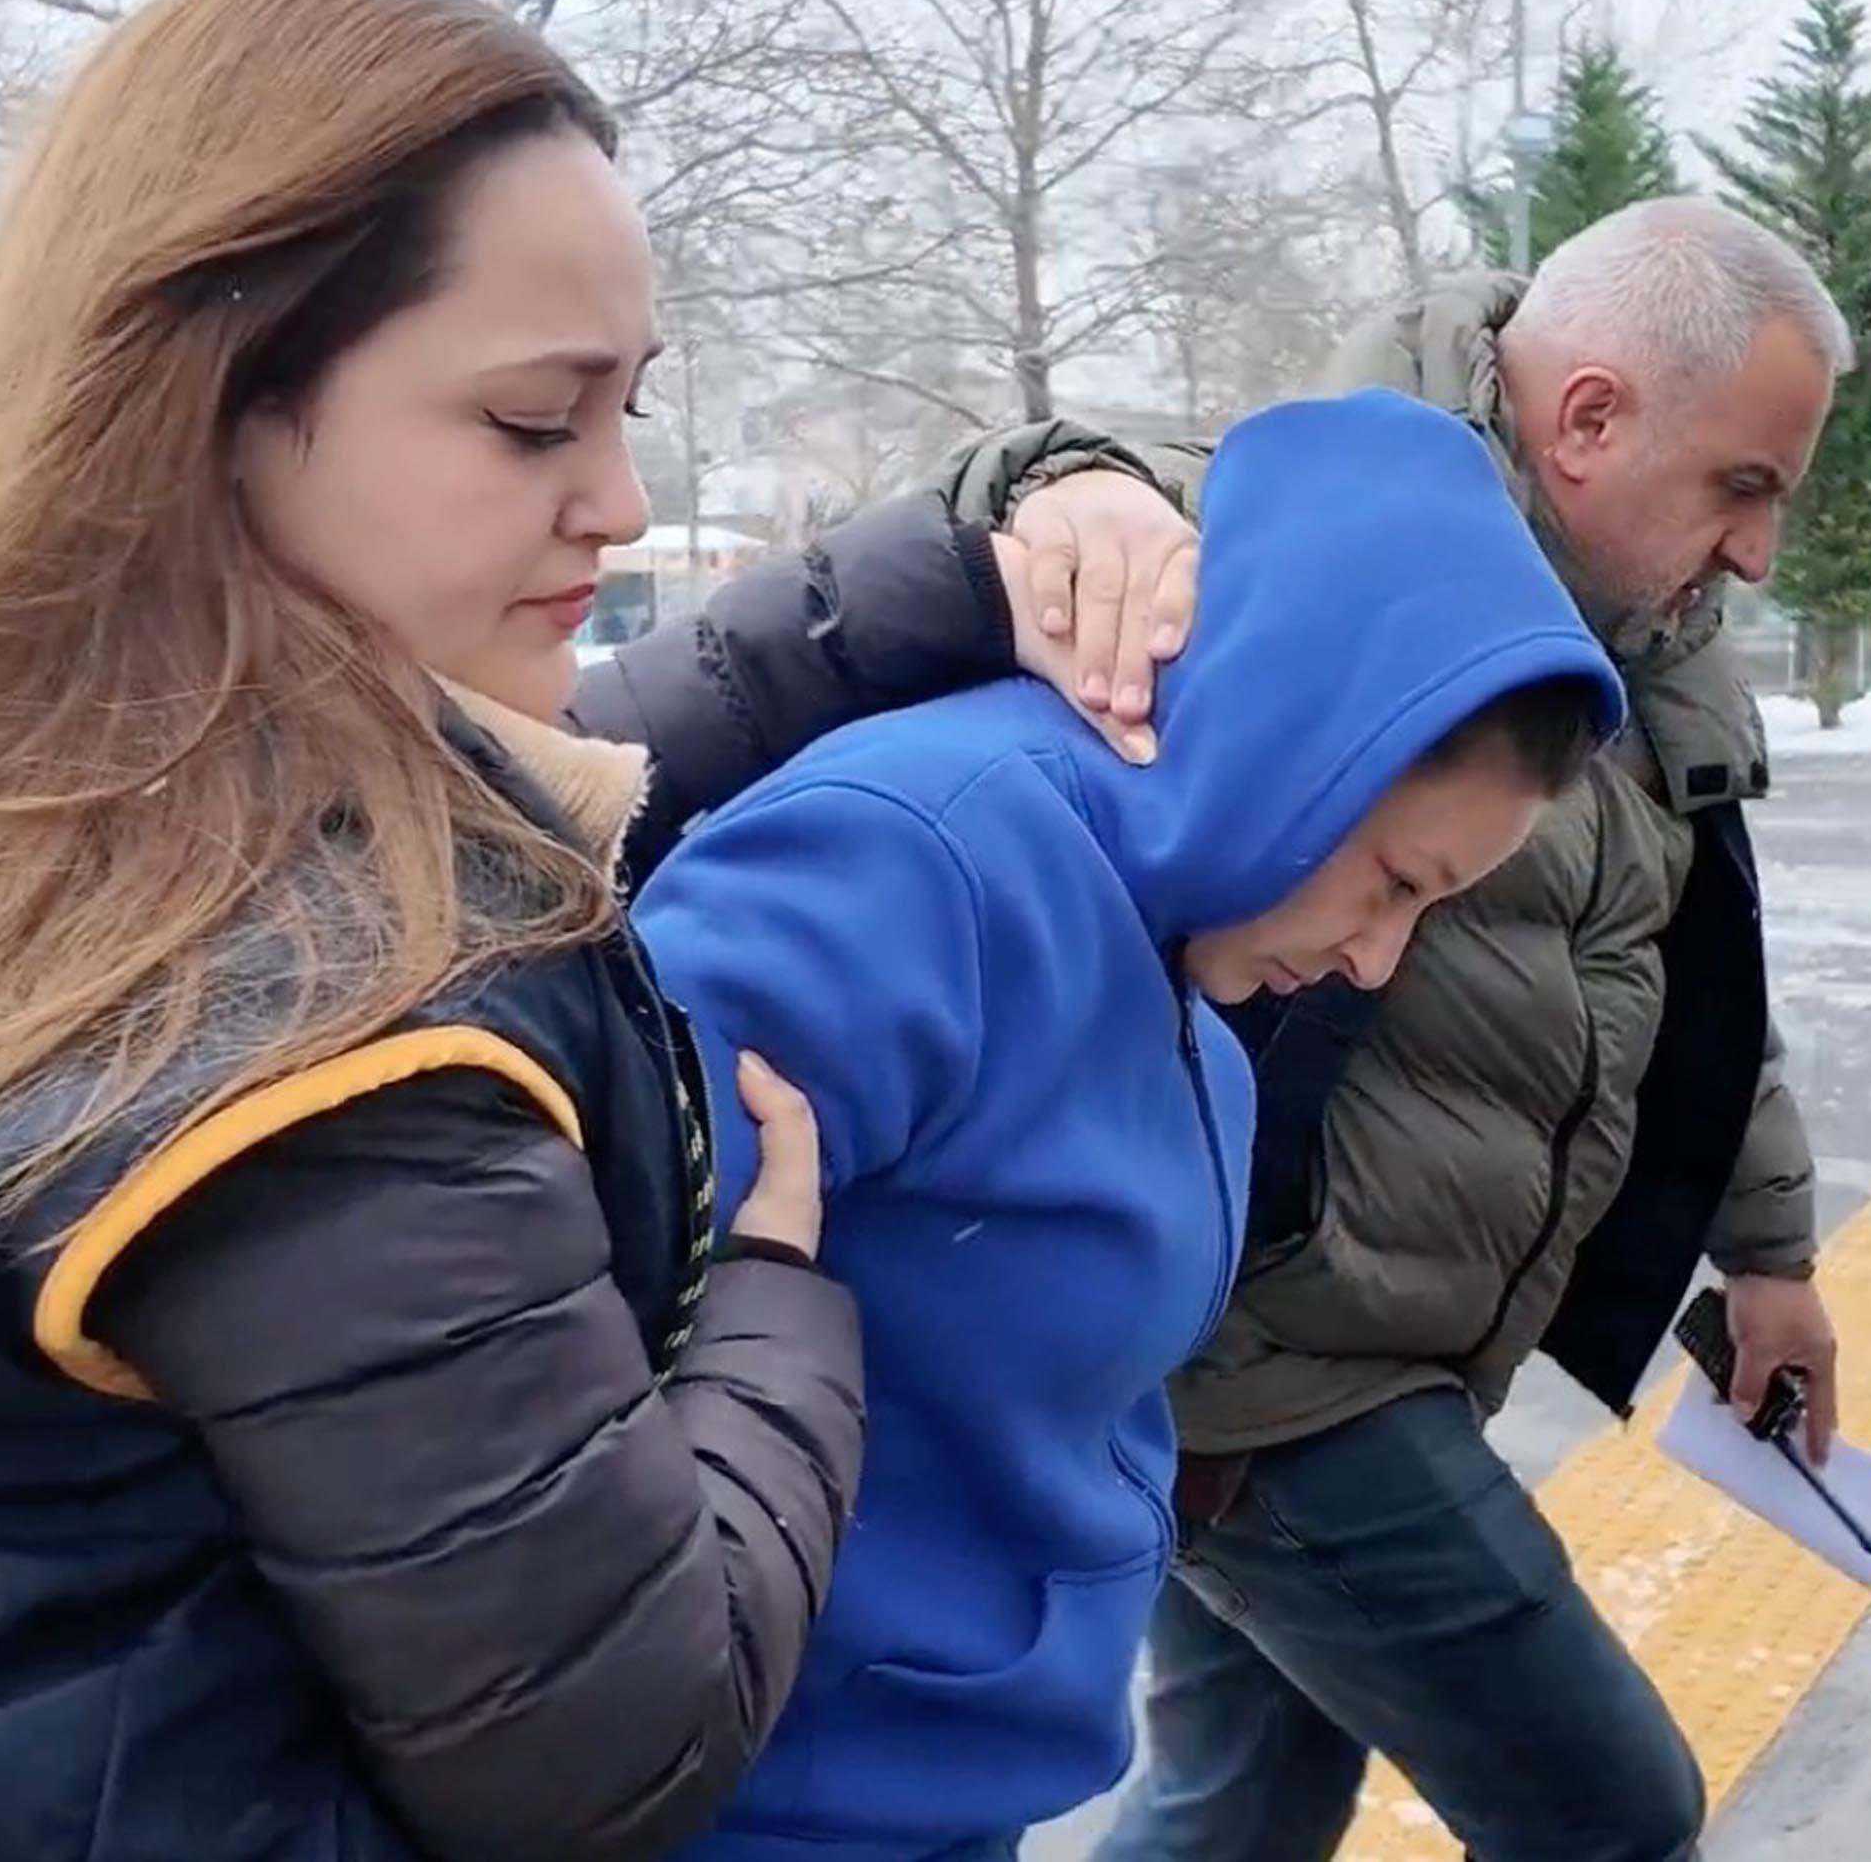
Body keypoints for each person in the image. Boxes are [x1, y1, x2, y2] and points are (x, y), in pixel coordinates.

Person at [0, 0, 1196, 1862]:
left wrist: (969, 551)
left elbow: (579, 747)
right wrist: (779, 1301)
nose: (618, 499)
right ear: (211, 399)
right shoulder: (325, 1055)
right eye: (535, 422)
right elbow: (609, 1747)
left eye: (629, 408)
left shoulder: (63, 794)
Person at [934, 197, 1855, 1861]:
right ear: (1589, 419)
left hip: (1384, 1338)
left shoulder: (1655, 644)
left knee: (1245, 1802)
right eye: (1743, 485)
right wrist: (1049, 481)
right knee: (1613, 1811)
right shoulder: (1295, 541)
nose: (1758, 551)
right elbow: (1015, 518)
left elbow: (1700, 972)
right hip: (1283, 1366)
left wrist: (1769, 1251)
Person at [628, 388, 1628, 1861]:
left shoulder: (1179, 981)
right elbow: (549, 1353)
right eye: (1396, 881)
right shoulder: (916, 862)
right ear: (1296, 745)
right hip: (758, 1804)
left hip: (935, 1790)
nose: (1377, 961)